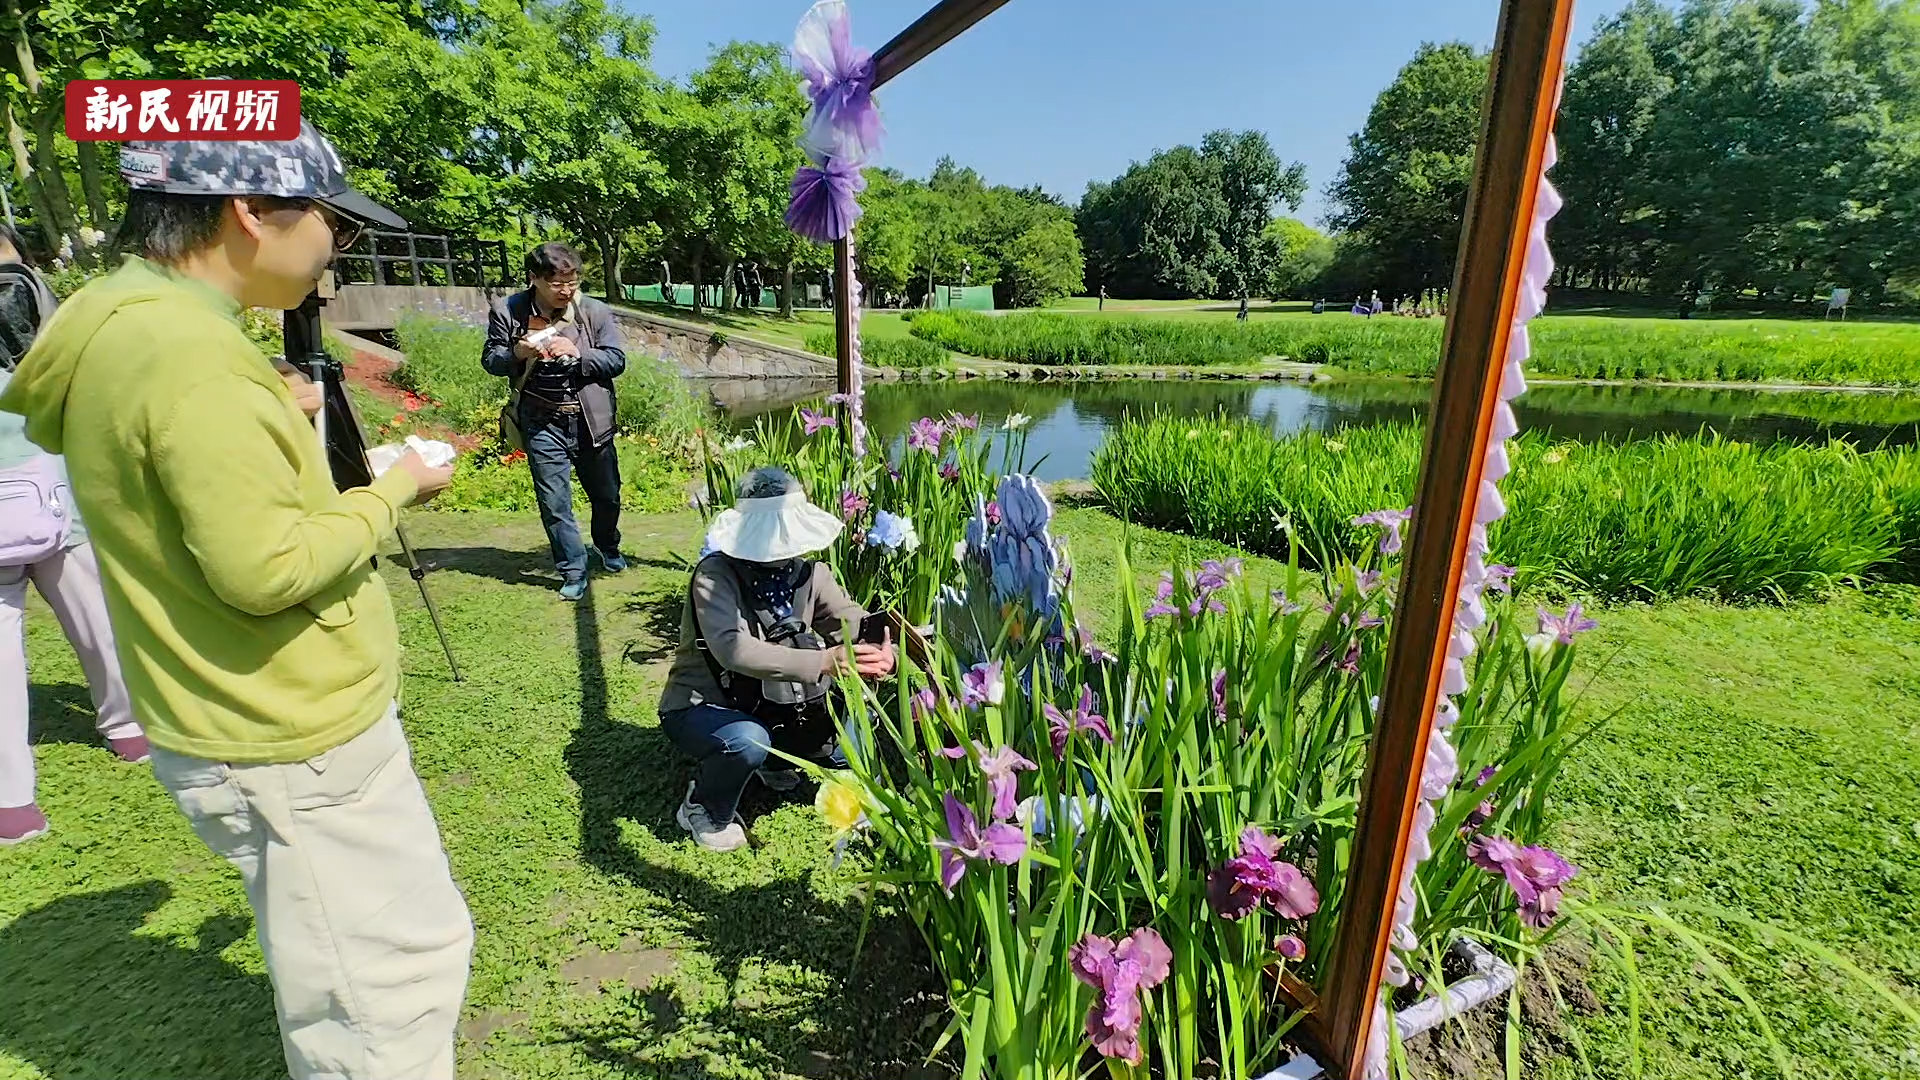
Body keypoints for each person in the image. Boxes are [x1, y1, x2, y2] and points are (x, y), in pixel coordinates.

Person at [0, 122, 472, 1078]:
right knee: (384, 985)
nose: (335, 245)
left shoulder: (130, 324)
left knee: (336, 952)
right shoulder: (190, 359)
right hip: (289, 731)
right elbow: (266, 571)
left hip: (224, 711)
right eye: (328, 218)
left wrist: (272, 416)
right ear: (249, 212)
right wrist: (394, 489)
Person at [0, 226, 149, 845]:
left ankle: (11, 800)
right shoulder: (35, 300)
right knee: (97, 620)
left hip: (36, 491)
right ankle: (128, 725)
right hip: (52, 492)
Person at [659, 468, 895, 852]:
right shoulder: (714, 576)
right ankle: (703, 806)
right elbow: (733, 649)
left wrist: (885, 651)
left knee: (848, 744)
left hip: (781, 703)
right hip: (704, 706)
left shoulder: (810, 575)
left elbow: (852, 623)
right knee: (747, 741)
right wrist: (823, 661)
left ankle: (776, 761)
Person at [482, 242, 629, 601]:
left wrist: (578, 354)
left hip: (591, 420)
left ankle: (607, 547)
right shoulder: (509, 311)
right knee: (554, 502)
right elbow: (491, 359)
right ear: (534, 279)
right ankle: (573, 570)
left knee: (607, 497)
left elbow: (616, 360)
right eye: (557, 284)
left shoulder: (593, 312)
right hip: (541, 421)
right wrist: (517, 352)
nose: (566, 291)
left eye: (573, 283)